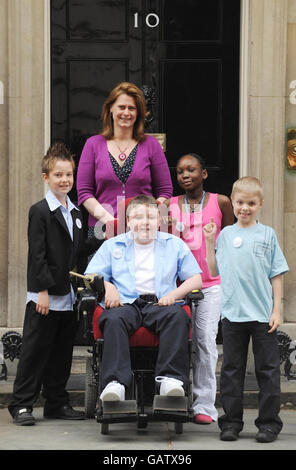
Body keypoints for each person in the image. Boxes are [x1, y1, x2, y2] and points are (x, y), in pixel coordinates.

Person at [8, 142, 102, 426]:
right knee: (36, 351)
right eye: (58, 175)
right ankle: (22, 405)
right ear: (46, 177)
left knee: (61, 352)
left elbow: (77, 250)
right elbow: (37, 256)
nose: (64, 180)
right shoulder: (40, 211)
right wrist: (42, 292)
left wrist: (101, 235)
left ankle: (56, 402)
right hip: (45, 296)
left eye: (69, 175)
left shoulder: (74, 212)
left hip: (68, 295)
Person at [84, 195, 202, 401]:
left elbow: (195, 279)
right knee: (112, 319)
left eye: (151, 217)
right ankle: (115, 384)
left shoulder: (174, 244)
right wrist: (107, 286)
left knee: (177, 317)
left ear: (159, 221)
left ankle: (170, 380)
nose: (145, 222)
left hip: (160, 302)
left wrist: (174, 294)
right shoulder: (113, 245)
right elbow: (89, 276)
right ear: (128, 221)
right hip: (126, 303)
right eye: (138, 217)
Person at [203, 176, 289, 443]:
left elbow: (277, 274)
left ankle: (269, 424)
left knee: (268, 371)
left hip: (263, 316)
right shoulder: (226, 235)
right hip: (233, 314)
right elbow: (214, 270)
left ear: (260, 204)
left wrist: (277, 310)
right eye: (240, 202)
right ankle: (230, 422)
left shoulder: (267, 234)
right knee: (231, 370)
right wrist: (208, 241)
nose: (244, 208)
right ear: (233, 201)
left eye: (251, 203)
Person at [165, 152, 233, 424]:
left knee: (205, 342)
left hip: (211, 284)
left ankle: (204, 405)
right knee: (176, 343)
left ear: (204, 174)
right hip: (177, 286)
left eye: (191, 170)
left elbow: (230, 241)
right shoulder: (167, 205)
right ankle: (174, 398)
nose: (185, 175)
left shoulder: (222, 202)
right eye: (180, 171)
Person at [76, 82, 173, 239]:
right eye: (121, 107)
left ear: (138, 113)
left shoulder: (151, 145)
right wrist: (111, 222)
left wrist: (145, 218)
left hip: (143, 232)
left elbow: (165, 191)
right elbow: (84, 192)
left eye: (132, 108)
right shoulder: (93, 145)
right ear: (110, 110)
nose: (126, 113)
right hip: (102, 232)